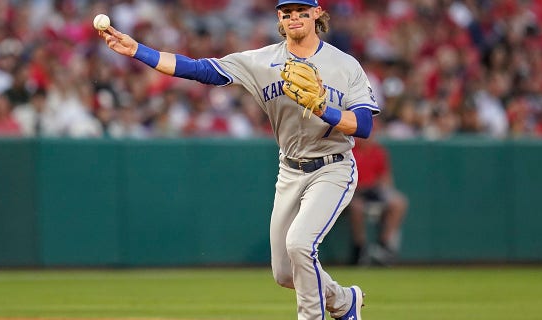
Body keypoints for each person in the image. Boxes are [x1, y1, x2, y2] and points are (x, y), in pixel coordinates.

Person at [98, 1, 379, 319]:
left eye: (302, 10)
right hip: (290, 170)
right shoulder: (262, 61)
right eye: (287, 12)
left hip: (333, 166)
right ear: (279, 19)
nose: (294, 17)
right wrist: (138, 50)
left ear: (317, 14)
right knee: (286, 274)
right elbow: (199, 69)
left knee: (300, 245)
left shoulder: (344, 65)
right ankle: (343, 301)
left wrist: (322, 109)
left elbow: (364, 125)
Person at [348, 128, 408, 266]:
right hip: (355, 191)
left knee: (399, 202)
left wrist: (383, 189)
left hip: (374, 190)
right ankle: (360, 248)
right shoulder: (351, 150)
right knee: (357, 207)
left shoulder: (378, 151)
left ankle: (384, 244)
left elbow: (386, 178)